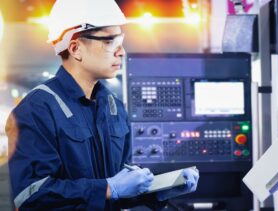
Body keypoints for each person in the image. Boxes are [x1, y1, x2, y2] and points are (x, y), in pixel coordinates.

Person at [5, 0, 199, 210]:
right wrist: (107, 188)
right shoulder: (36, 110)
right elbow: (30, 196)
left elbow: (122, 186)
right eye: (109, 41)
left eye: (120, 41)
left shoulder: (112, 107)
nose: (121, 52)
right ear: (75, 48)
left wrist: (158, 191)